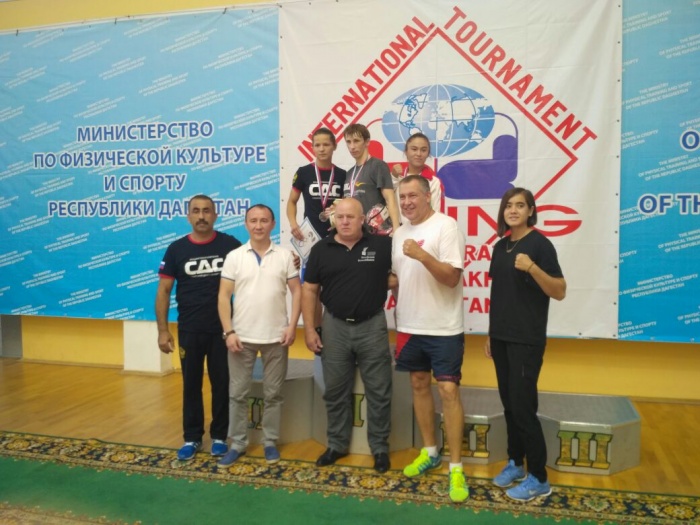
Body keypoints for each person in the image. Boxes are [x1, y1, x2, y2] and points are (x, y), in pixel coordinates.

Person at [485, 187, 566, 502]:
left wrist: (532, 267)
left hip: (526, 340)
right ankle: (516, 463)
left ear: (531, 210)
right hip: (501, 337)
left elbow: (559, 290)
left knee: (523, 407)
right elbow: (499, 295)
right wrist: (491, 334)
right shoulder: (500, 246)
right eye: (509, 205)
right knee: (509, 405)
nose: (513, 210)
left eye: (520, 205)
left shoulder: (540, 245)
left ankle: (539, 478)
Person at [391, 175, 468, 503]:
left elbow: (451, 278)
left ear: (427, 197)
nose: (407, 202)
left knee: (448, 391)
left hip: (444, 327)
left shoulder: (446, 226)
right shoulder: (399, 233)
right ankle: (431, 451)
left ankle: (456, 467)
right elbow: (399, 277)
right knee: (419, 385)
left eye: (412, 196)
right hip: (409, 325)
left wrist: (422, 255)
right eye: (402, 197)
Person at [302, 198, 393, 473]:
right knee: (335, 391)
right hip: (334, 327)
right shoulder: (321, 249)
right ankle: (337, 445)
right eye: (339, 217)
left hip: (372, 326)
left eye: (350, 217)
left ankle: (379, 448)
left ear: (362, 219)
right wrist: (310, 329)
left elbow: (403, 274)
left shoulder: (383, 246)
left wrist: (385, 282)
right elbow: (310, 290)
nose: (344, 221)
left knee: (379, 391)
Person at [156, 194, 241, 461]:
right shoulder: (176, 249)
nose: (201, 216)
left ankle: (219, 436)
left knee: (222, 384)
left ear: (215, 215)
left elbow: (254, 268)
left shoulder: (230, 245)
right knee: (190, 385)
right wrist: (162, 330)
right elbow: (164, 291)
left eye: (206, 211)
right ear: (188, 216)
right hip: (190, 330)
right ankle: (192, 437)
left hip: (222, 331)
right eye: (196, 211)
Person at [216, 204, 301, 466]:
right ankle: (238, 443)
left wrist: (292, 326)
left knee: (273, 394)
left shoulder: (285, 256)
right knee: (237, 394)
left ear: (273, 224)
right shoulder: (234, 257)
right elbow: (223, 296)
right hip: (241, 338)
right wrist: (228, 331)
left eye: (264, 220)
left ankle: (270, 442)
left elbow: (297, 292)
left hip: (277, 337)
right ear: (246, 224)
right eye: (253, 220)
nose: (258, 225)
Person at [287, 127, 346, 240]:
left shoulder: (342, 175)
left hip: (336, 233)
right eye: (317, 145)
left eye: (326, 144)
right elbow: (292, 201)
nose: (321, 149)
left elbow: (347, 205)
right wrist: (293, 223)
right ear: (312, 148)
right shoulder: (303, 172)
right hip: (309, 234)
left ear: (334, 146)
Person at [342, 123, 400, 235]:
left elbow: (390, 199)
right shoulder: (349, 173)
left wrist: (397, 229)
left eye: (356, 141)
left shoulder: (378, 166)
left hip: (376, 234)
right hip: (355, 233)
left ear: (367, 142)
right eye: (348, 142)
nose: (352, 146)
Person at [391, 133, 444, 220]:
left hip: (424, 227)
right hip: (399, 227)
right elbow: (389, 202)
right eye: (414, 149)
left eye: (423, 150)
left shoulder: (433, 182)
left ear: (428, 154)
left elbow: (435, 213)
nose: (419, 154)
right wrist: (394, 177)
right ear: (406, 152)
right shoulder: (397, 177)